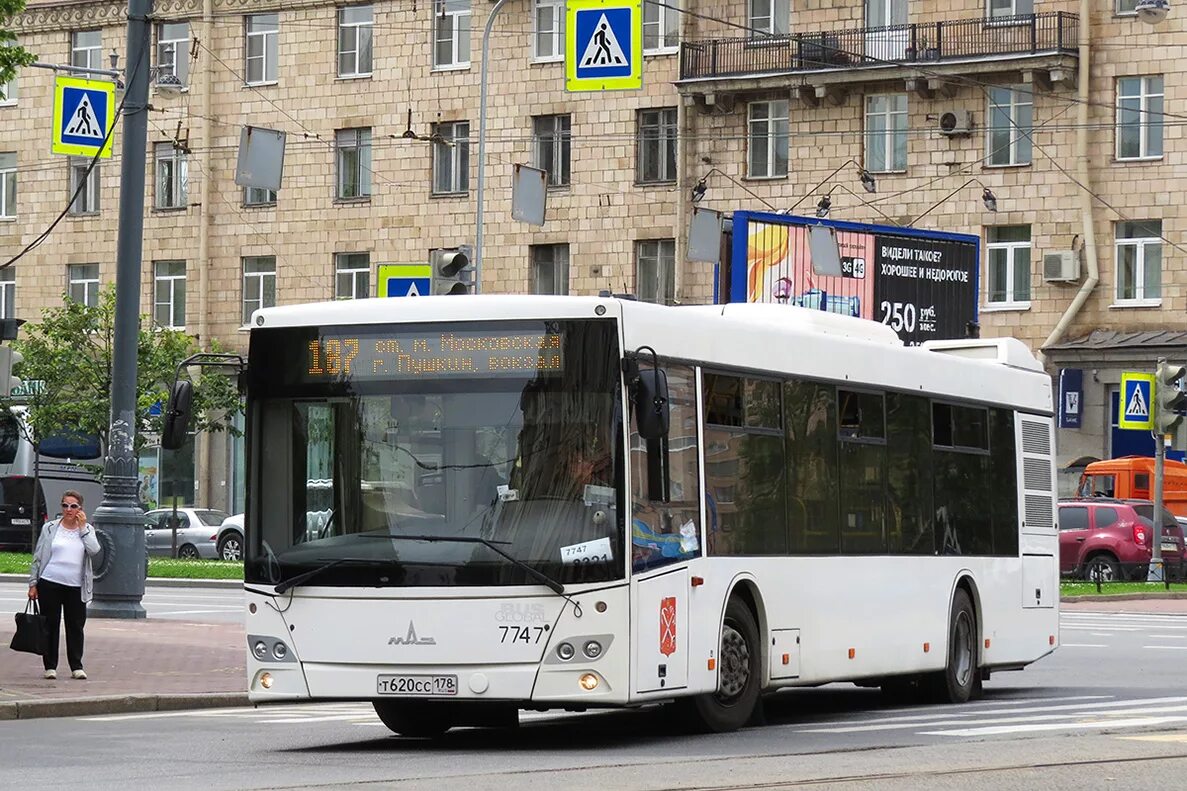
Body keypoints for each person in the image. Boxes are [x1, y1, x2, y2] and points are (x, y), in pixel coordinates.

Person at [27, 490, 100, 680]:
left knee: (75, 626)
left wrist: (83, 528)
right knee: (50, 625)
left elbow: (94, 550)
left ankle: (76, 666)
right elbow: (38, 556)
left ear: (80, 509)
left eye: (73, 506)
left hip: (76, 586)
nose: (69, 509)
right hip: (50, 582)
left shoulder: (87, 530)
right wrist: (33, 583)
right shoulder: (50, 528)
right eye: (65, 505)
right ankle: (50, 666)